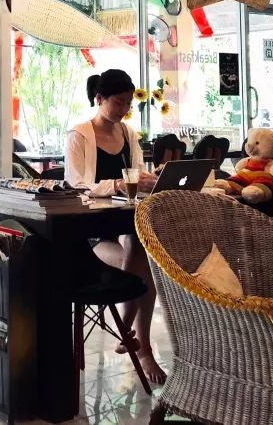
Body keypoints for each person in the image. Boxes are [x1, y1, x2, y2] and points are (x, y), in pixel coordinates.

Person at [64, 68, 166, 384]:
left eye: (127, 104)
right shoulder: (80, 135)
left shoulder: (128, 134)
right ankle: (139, 344)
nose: (123, 109)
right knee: (142, 266)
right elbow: (77, 184)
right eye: (118, 102)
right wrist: (118, 185)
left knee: (141, 248)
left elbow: (136, 175)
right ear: (100, 98)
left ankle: (129, 333)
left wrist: (148, 179)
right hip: (91, 233)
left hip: (124, 224)